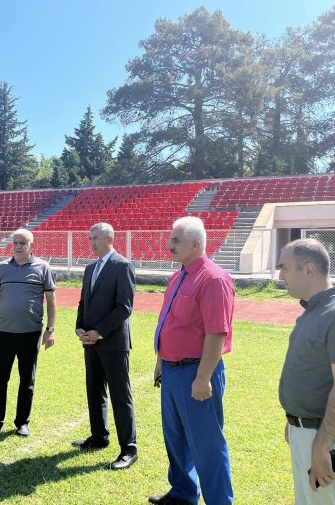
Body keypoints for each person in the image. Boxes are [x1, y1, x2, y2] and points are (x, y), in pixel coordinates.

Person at [277, 239, 335, 505]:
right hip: (307, 431)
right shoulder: (315, 310)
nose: (280, 275)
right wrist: (295, 418)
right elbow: (312, 373)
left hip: (326, 438)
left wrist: (321, 445)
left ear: (308, 269)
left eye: (284, 268)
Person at [149, 216, 234, 505]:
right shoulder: (180, 274)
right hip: (173, 372)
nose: (169, 245)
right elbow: (170, 321)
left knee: (207, 445)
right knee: (176, 440)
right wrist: (161, 361)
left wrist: (202, 378)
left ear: (196, 244)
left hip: (196, 372)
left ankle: (219, 501)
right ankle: (183, 494)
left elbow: (216, 333)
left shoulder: (213, 279)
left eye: (176, 241)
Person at [0, 228, 57, 440]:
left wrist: (50, 330)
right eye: (16, 242)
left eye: (23, 243)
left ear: (32, 245)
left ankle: (22, 422)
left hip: (30, 334)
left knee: (26, 380)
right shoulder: (1, 267)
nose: (19, 246)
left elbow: (50, 301)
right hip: (3, 333)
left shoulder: (43, 267)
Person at [73, 222, 138, 471]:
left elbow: (124, 307)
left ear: (110, 238)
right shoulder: (90, 268)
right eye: (89, 238)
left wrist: (99, 331)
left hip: (113, 344)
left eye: (95, 238)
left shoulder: (122, 266)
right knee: (95, 392)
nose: (91, 242)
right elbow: (83, 302)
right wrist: (79, 328)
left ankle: (129, 449)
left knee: (121, 396)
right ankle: (99, 437)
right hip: (90, 343)